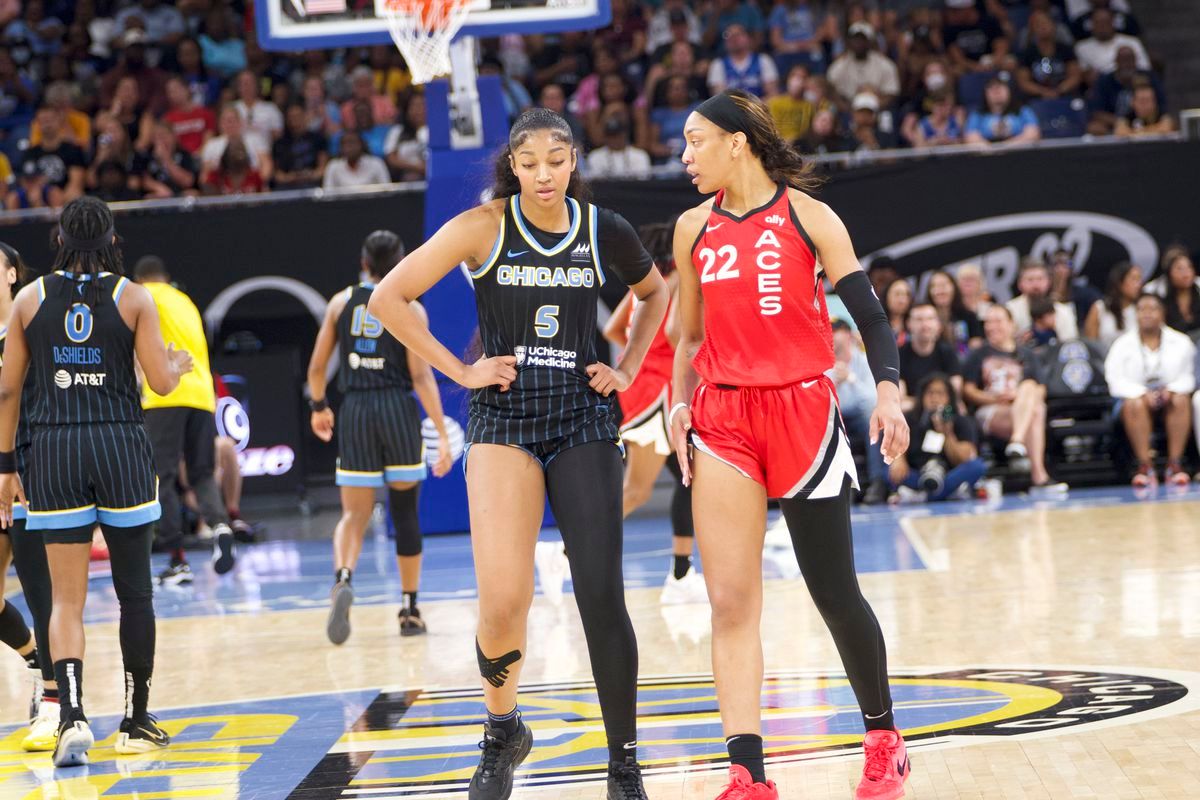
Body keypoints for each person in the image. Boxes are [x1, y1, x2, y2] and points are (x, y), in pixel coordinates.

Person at [367, 108, 668, 800]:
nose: (543, 174)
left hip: (583, 417)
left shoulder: (603, 230)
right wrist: (460, 370)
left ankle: (623, 764)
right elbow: (390, 296)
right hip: (504, 418)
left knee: (600, 593)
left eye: (556, 160)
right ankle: (502, 730)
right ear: (512, 164)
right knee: (503, 601)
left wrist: (625, 369)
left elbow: (654, 294)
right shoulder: (483, 227)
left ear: (574, 161)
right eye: (529, 162)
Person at [671, 89, 910, 800]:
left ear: (737, 143)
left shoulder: (810, 216)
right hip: (723, 420)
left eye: (696, 142)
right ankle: (748, 774)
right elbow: (688, 337)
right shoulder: (691, 229)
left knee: (834, 593)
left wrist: (890, 390)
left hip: (803, 412)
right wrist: (677, 404)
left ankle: (883, 738)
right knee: (731, 603)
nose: (685, 157)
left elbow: (869, 315)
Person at [0, 197, 193, 766]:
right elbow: (158, 383)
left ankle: (72, 716)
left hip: (54, 450)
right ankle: (134, 721)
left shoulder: (30, 299)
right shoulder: (133, 295)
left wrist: (6, 466)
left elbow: (8, 390)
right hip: (119, 447)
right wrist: (174, 368)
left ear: (58, 239)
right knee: (136, 593)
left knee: (66, 600)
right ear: (112, 241)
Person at [307, 230, 454, 644]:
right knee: (405, 513)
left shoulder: (340, 302)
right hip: (396, 408)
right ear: (401, 262)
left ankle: (343, 578)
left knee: (353, 515)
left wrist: (319, 407)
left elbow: (317, 369)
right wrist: (441, 435)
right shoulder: (408, 307)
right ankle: (409, 609)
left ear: (363, 261)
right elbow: (422, 376)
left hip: (355, 409)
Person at [601, 221, 703, 603]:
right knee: (638, 491)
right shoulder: (675, 279)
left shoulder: (644, 285)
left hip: (640, 388)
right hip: (658, 394)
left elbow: (613, 329)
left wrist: (637, 354)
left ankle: (682, 571)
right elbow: (679, 335)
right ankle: (564, 552)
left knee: (690, 479)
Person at [133, 256, 236, 586]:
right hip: (202, 395)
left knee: (160, 477)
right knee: (202, 472)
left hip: (166, 394)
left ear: (140, 279)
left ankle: (178, 561)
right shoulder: (185, 301)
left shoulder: (141, 295)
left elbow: (135, 348)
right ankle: (220, 527)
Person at [0, 240, 58, 753]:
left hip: (25, 475)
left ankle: (57, 701)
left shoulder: (27, 329)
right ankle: (37, 661)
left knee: (42, 594)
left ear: (12, 274)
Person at [963, 305, 1065, 491]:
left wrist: (1017, 397)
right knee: (1036, 410)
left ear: (1012, 324)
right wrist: (994, 398)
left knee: (1030, 391)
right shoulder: (979, 354)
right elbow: (968, 390)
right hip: (992, 410)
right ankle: (1039, 476)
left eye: (998, 321)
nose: (992, 326)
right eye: (988, 322)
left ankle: (1017, 441)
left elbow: (1041, 389)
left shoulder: (1027, 354)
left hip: (1019, 408)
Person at [1104, 293, 1195, 487]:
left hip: (1169, 398)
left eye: (1152, 309)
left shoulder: (1181, 341)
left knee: (1181, 399)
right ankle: (1145, 466)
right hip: (1134, 402)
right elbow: (1114, 381)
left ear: (1162, 313)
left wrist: (1170, 390)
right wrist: (1142, 393)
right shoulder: (1121, 345)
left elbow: (1189, 376)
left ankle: (1175, 465)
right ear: (1135, 315)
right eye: (1141, 309)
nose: (1147, 314)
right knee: (1134, 403)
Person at [889, 372, 986, 502]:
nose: (934, 398)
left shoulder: (962, 421)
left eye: (940, 394)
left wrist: (947, 433)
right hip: (918, 473)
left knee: (977, 466)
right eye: (930, 393)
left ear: (949, 398)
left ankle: (924, 495)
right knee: (887, 470)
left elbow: (964, 458)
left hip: (949, 474)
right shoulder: (910, 419)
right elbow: (896, 446)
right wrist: (898, 460)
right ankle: (948, 493)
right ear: (922, 396)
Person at [827, 319, 889, 505]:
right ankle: (835, 488)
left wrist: (850, 379)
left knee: (874, 423)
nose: (831, 336)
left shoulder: (864, 360)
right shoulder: (822, 363)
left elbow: (872, 399)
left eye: (835, 331)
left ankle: (877, 483)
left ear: (847, 334)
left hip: (859, 416)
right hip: (832, 417)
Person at [899, 303, 963, 412]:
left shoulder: (948, 352)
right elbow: (899, 397)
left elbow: (954, 390)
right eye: (919, 320)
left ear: (938, 324)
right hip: (912, 411)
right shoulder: (899, 354)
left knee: (959, 409)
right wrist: (927, 403)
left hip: (944, 408)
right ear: (909, 324)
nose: (925, 325)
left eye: (930, 319)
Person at [1006, 258, 1079, 341]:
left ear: (1048, 282)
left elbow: (1069, 344)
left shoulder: (1063, 311)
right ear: (1020, 284)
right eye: (1030, 280)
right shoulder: (1009, 310)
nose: (1036, 285)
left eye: (1040, 279)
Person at [965, 75, 1041, 146]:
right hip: (986, 157)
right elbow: (971, 138)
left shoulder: (1023, 111)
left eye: (1001, 86)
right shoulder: (977, 115)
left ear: (1010, 90)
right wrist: (992, 151)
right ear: (985, 93)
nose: (996, 91)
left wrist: (1005, 148)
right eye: (991, 87)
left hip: (1019, 156)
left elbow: (1033, 134)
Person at [1083, 261, 1142, 352]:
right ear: (1119, 282)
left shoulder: (1142, 309)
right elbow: (1091, 346)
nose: (1139, 285)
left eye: (1139, 279)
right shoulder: (1099, 308)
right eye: (1134, 279)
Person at [925, 269, 983, 353]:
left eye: (944, 285)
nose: (940, 291)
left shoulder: (968, 316)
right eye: (935, 286)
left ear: (954, 288)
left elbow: (976, 346)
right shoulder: (924, 319)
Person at [1160, 251, 1200, 337]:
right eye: (1179, 268)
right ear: (1169, 273)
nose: (1186, 273)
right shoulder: (1163, 304)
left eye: (1189, 267)